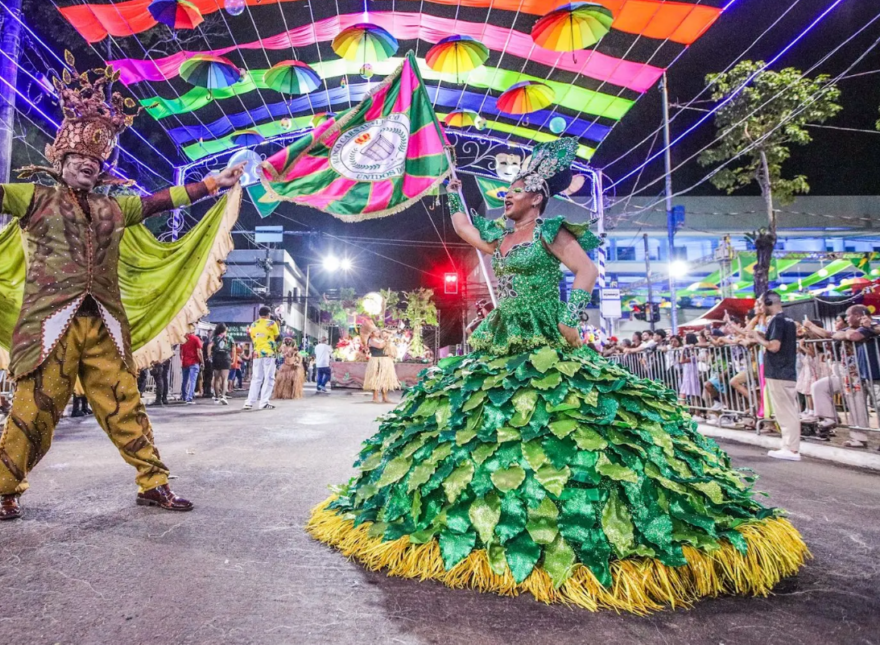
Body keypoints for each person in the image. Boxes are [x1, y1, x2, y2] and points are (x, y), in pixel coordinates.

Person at [307, 138, 807, 611]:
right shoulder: (502, 234)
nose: (506, 195)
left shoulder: (551, 232)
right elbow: (464, 230)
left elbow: (587, 273)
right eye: (506, 190)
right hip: (504, 334)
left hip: (547, 333)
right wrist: (450, 185)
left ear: (538, 196)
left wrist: (571, 321)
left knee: (563, 416)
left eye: (515, 189)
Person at [0, 62, 244, 519]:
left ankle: (154, 482)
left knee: (126, 405)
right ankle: (7, 489)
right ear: (60, 162)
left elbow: (159, 200)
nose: (88, 162)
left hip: (103, 323)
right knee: (34, 411)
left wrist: (210, 185)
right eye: (78, 157)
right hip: (48, 327)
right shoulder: (34, 198)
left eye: (96, 159)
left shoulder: (115, 207)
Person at [804, 305, 877, 449]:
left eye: (847, 316)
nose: (845, 319)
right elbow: (831, 335)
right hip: (846, 373)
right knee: (819, 387)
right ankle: (830, 418)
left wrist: (811, 325)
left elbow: (850, 336)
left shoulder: (872, 325)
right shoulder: (851, 329)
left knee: (858, 406)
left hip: (861, 372)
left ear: (857, 315)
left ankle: (860, 438)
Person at [746, 291, 800, 460]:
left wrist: (757, 337)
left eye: (761, 304)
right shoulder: (787, 320)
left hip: (779, 371)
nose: (760, 308)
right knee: (786, 411)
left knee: (786, 412)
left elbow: (774, 346)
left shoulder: (777, 320)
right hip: (785, 370)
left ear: (769, 302)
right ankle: (788, 446)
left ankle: (791, 449)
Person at [244, 306, 280, 410]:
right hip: (268, 353)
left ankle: (249, 402)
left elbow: (252, 337)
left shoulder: (253, 324)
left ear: (259, 314)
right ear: (268, 314)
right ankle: (264, 402)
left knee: (256, 378)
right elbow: (277, 337)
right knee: (269, 378)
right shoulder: (272, 323)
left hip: (257, 354)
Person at [360, 320, 399, 403]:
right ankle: (375, 397)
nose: (378, 332)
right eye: (376, 331)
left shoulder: (381, 339)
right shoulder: (371, 340)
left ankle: (385, 397)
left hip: (385, 361)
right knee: (376, 379)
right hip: (376, 361)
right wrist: (387, 339)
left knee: (385, 379)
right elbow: (380, 346)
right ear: (372, 333)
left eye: (378, 330)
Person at [209, 324, 233, 405]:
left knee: (216, 378)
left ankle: (216, 397)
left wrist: (209, 356)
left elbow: (209, 346)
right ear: (225, 329)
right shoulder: (229, 337)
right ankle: (223, 396)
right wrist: (233, 358)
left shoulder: (214, 337)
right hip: (226, 358)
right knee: (225, 378)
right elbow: (233, 348)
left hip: (216, 358)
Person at [180, 327, 203, 404]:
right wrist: (202, 362)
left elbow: (181, 352)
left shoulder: (183, 339)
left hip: (185, 362)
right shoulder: (196, 339)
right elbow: (199, 352)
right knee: (192, 380)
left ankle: (184, 396)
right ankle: (189, 398)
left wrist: (182, 360)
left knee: (184, 380)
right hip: (194, 362)